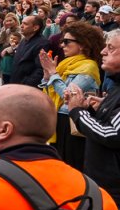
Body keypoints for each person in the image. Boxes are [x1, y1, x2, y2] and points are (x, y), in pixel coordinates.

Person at [39, 20, 103, 171]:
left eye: (67, 42)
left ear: (83, 44)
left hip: (71, 121)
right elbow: (52, 89)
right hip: (59, 118)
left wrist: (54, 74)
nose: (62, 45)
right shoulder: (66, 64)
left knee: (70, 164)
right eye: (62, 41)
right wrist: (47, 77)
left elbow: (68, 95)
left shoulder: (88, 66)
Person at [67, 30, 120, 203]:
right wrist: (94, 110)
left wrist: (78, 112)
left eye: (110, 48)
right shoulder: (116, 87)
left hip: (114, 190)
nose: (103, 52)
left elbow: (112, 135)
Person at [8, 14, 52, 88]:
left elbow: (41, 69)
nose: (21, 26)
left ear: (35, 28)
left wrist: (27, 83)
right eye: (21, 23)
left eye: (25, 24)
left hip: (28, 88)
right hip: (16, 84)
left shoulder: (42, 44)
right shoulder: (23, 40)